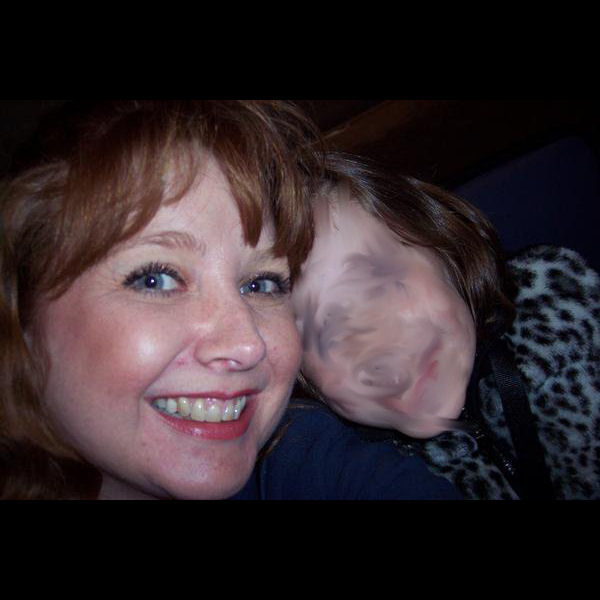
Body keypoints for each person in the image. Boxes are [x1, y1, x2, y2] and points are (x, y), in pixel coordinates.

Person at [0, 100, 461, 500]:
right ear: (23, 319)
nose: (248, 344)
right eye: (156, 279)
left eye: (262, 284)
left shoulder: (303, 460)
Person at [292, 153, 600, 500]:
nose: (380, 350)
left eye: (376, 284)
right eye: (325, 334)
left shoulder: (571, 315)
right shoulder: (371, 476)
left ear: (438, 243)